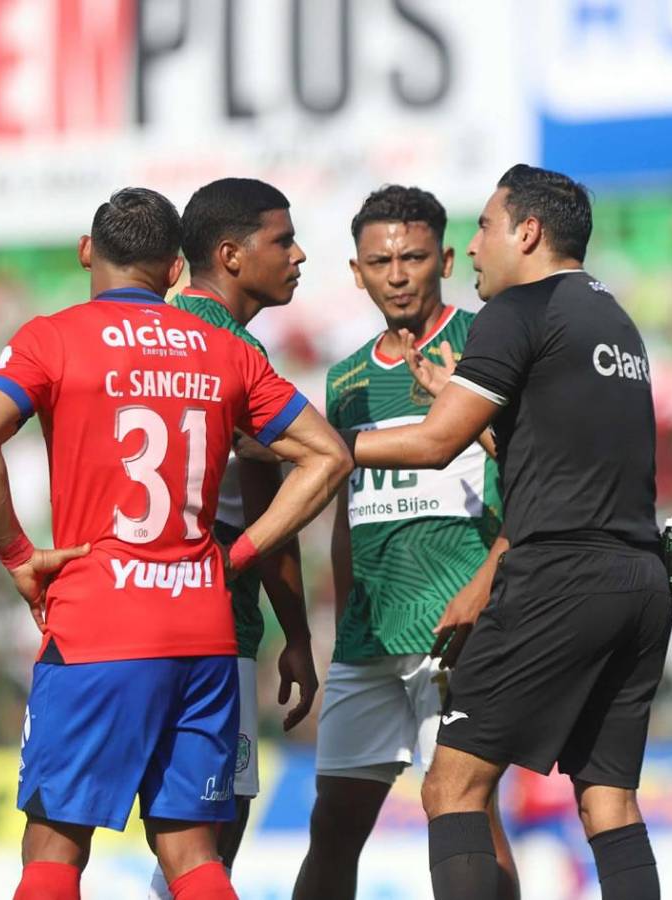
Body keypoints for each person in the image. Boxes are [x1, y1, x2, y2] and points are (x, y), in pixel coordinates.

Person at [0, 187, 351, 900]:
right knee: (194, 856)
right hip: (203, 627)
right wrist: (240, 552)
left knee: (52, 848)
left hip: (99, 623)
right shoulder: (224, 350)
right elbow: (327, 455)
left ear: (86, 251)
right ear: (175, 270)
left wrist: (18, 556)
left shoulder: (54, 336)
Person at [337, 165, 672, 900]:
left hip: (559, 575)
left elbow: (430, 445)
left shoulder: (518, 312)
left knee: (451, 789)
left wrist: (321, 447)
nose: (476, 246)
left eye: (485, 227)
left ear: (527, 232)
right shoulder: (614, 321)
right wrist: (469, 414)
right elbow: (550, 460)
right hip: (641, 579)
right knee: (608, 801)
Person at [292, 185, 518, 900]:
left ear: (445, 259)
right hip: (367, 639)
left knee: (467, 813)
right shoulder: (347, 377)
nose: (397, 273)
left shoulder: (488, 344)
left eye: (414, 256)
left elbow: (534, 481)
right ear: (356, 272)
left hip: (458, 630)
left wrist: (488, 588)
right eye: (380, 260)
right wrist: (332, 627)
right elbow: (344, 512)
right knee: (333, 825)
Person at [145, 177, 318, 898]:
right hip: (211, 616)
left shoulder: (144, 331)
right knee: (212, 838)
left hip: (115, 613)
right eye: (282, 240)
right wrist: (296, 635)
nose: (299, 254)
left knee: (74, 836)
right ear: (231, 255)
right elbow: (285, 491)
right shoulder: (234, 358)